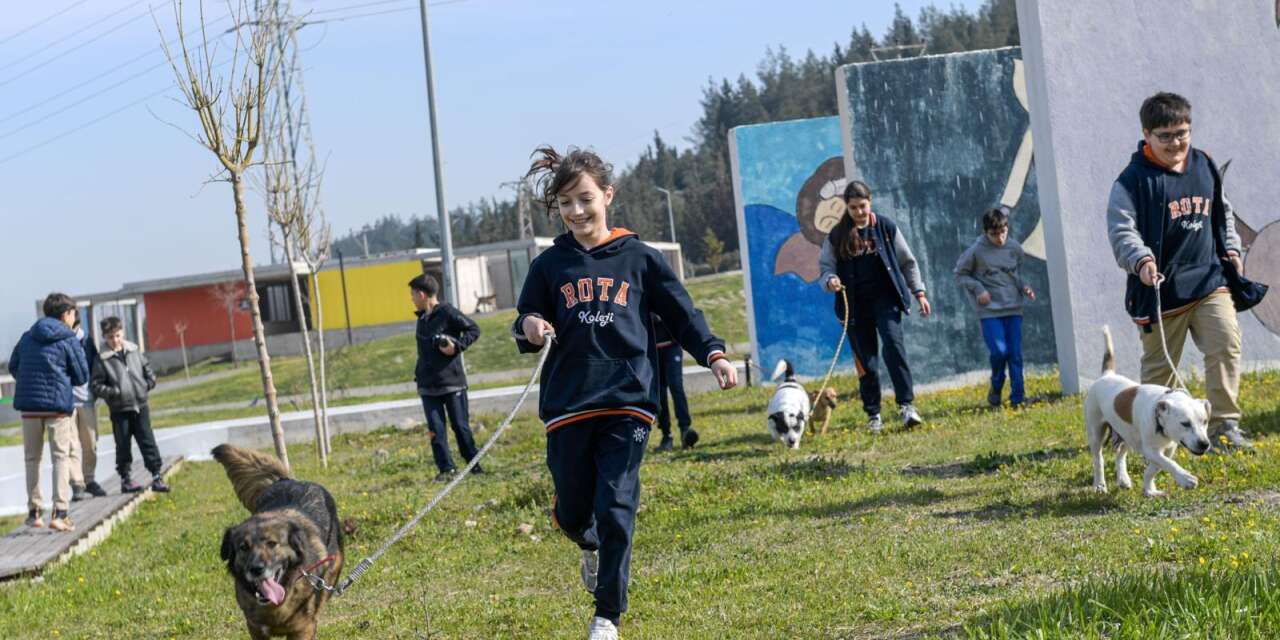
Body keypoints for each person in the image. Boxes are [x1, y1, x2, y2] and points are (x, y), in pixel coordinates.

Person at [514, 145, 738, 640]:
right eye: (566, 203)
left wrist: (714, 354)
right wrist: (531, 325)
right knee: (573, 511)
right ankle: (589, 547)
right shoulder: (550, 266)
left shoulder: (640, 258)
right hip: (568, 406)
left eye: (585, 198)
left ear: (607, 195)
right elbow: (525, 316)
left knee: (617, 505)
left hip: (628, 401)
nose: (576, 211)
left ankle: (607, 616)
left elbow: (682, 315)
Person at [1107, 91, 1257, 452]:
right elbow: (1121, 230)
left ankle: (1223, 425)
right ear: (1147, 134)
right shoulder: (1132, 181)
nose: (1176, 143)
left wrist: (1232, 250)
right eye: (1166, 136)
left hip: (1208, 281)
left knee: (1225, 343)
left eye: (1182, 133)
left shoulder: (1203, 164)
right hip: (1161, 292)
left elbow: (1222, 213)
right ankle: (1140, 433)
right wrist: (1141, 260)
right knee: (1159, 374)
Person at [818, 180, 931, 433]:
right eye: (853, 207)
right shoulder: (837, 236)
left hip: (886, 301)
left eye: (863, 206)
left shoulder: (886, 228)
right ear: (846, 207)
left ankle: (907, 406)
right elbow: (825, 268)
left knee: (894, 346)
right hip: (855, 308)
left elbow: (907, 262)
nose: (859, 212)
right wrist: (830, 280)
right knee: (866, 362)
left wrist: (919, 292)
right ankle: (874, 415)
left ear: (870, 202)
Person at [9, 293, 89, 531]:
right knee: (60, 457)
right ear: (66, 314)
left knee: (32, 458)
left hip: (29, 408)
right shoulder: (68, 338)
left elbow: (14, 366)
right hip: (57, 408)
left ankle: (34, 512)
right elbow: (82, 376)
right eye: (74, 313)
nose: (75, 318)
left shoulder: (27, 336)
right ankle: (60, 512)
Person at [954, 206, 1036, 409]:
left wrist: (1024, 286)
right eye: (994, 234)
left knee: (1015, 354)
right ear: (984, 232)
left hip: (1013, 309)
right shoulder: (976, 251)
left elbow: (1014, 274)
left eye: (1003, 232)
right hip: (990, 312)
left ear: (1007, 228)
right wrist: (979, 288)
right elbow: (960, 274)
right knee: (1000, 352)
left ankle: (1018, 398)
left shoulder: (1015, 249)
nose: (1000, 238)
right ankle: (996, 386)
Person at [409, 273, 483, 481]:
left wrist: (456, 346)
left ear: (422, 294)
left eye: (413, 294)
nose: (412, 298)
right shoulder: (422, 318)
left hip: (452, 384)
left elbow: (474, 329)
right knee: (436, 429)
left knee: (460, 426)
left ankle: (473, 465)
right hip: (427, 385)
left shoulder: (448, 312)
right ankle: (446, 469)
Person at [90, 316, 169, 493]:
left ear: (122, 332)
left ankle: (156, 476)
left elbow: (148, 371)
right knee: (123, 444)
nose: (115, 340)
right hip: (120, 410)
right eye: (110, 337)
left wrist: (146, 385)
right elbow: (96, 385)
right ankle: (126, 479)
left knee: (148, 441)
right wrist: (114, 393)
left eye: (117, 335)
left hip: (140, 406)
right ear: (104, 337)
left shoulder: (133, 351)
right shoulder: (102, 359)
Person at [69, 319, 107, 501]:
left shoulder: (87, 341)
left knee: (90, 443)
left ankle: (89, 479)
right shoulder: (58, 341)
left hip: (87, 400)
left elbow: (96, 366)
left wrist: (97, 389)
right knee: (71, 446)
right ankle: (77, 484)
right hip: (66, 403)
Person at [650, 313, 697, 451]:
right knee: (660, 392)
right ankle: (666, 435)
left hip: (672, 346)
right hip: (653, 349)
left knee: (676, 386)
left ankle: (685, 430)